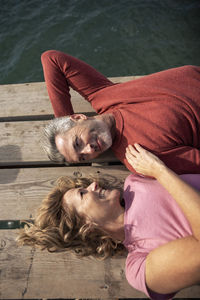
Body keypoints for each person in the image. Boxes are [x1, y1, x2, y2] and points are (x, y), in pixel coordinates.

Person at [17, 143, 200, 299]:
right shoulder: (139, 267)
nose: (93, 185)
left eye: (84, 187)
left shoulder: (135, 181)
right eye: (83, 193)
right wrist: (160, 171)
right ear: (86, 228)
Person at [41, 50, 200, 174]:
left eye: (78, 143)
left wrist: (64, 120)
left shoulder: (101, 95)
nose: (89, 150)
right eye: (83, 157)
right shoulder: (137, 155)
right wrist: (73, 129)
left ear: (78, 117)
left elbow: (51, 59)